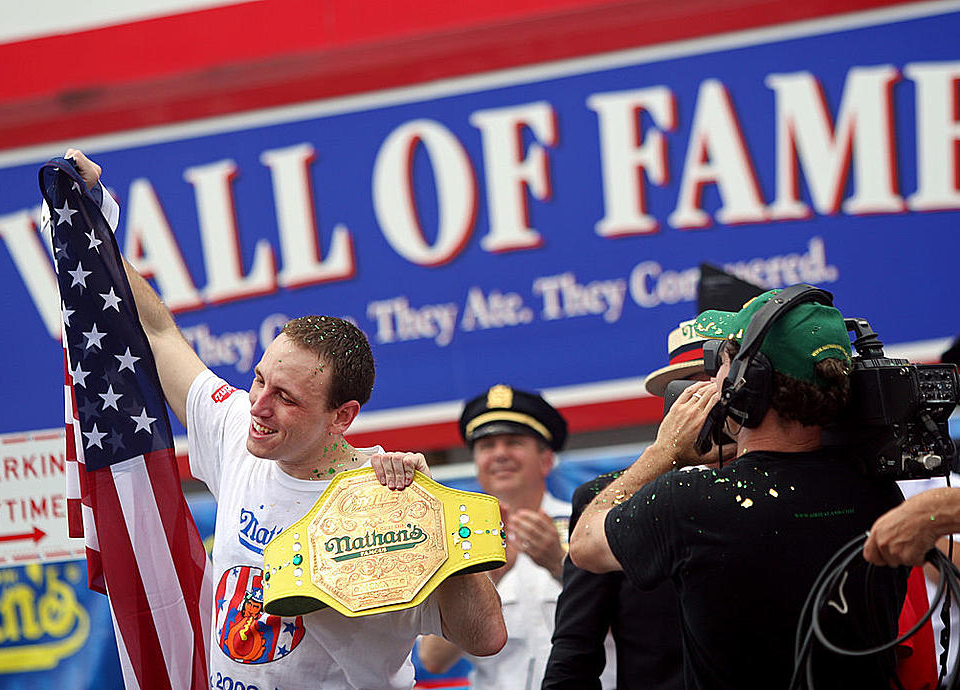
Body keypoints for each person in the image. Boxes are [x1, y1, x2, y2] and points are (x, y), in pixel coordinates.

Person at [64, 150, 506, 690]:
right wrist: (95, 219)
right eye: (258, 381)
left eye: (287, 398)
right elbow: (158, 335)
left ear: (342, 417)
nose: (258, 405)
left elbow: (484, 638)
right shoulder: (239, 433)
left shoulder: (391, 498)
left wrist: (444, 520)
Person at [570, 287, 909, 690]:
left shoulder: (693, 501)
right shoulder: (881, 495)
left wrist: (663, 452)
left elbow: (585, 543)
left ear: (750, 383)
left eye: (721, 364)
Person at [542, 321, 703, 690]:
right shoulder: (608, 499)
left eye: (717, 384)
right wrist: (664, 455)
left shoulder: (779, 483)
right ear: (671, 398)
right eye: (691, 389)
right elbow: (574, 653)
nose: (705, 402)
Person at [418, 384, 573, 690]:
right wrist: (490, 577)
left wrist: (562, 567)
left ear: (546, 460)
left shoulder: (587, 522)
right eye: (487, 445)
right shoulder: (456, 540)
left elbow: (638, 628)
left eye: (514, 442)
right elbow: (433, 660)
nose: (500, 454)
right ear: (477, 464)